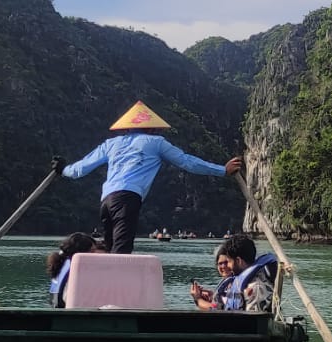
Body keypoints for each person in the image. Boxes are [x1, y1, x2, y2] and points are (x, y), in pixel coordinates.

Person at [61, 101, 242, 254]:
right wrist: (222, 170)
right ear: (151, 127)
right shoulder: (156, 142)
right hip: (127, 198)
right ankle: (118, 293)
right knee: (122, 251)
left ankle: (107, 290)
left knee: (110, 248)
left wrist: (62, 170)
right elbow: (187, 162)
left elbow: (80, 169)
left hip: (106, 201)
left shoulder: (111, 144)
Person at [189, 234, 278, 312]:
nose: (227, 266)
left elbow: (253, 323)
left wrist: (198, 300)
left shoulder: (256, 287)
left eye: (228, 261)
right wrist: (214, 298)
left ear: (238, 261)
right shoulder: (241, 283)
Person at [45, 232, 98, 308]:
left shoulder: (63, 264)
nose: (96, 255)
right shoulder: (74, 270)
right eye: (92, 251)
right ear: (81, 252)